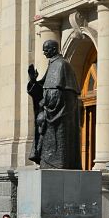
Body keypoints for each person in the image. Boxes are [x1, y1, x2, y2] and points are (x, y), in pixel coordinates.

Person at [26, 39, 81, 169]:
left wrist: (46, 103)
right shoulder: (52, 64)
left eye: (46, 49)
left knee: (57, 143)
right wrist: (33, 80)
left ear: (54, 49)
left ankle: (57, 164)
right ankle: (47, 164)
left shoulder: (62, 65)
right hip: (50, 111)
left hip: (59, 114)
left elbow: (61, 91)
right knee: (46, 140)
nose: (44, 52)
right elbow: (44, 87)